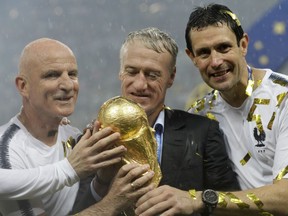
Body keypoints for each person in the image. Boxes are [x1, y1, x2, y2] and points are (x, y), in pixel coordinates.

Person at [83, 27, 238, 216]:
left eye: (152, 75)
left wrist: (194, 199)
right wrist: (101, 183)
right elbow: (75, 208)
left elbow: (231, 205)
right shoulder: (92, 137)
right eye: (132, 72)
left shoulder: (202, 132)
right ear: (120, 73)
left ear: (171, 77)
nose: (140, 85)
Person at [0, 38, 151, 216]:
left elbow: (76, 208)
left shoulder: (71, 134)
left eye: (72, 74)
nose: (68, 85)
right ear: (23, 86)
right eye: (52, 75)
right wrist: (112, 203)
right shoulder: (8, 152)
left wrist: (102, 181)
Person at [166, 3, 288, 216]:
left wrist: (204, 199)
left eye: (223, 48)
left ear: (243, 44)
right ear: (192, 57)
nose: (215, 61)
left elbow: (286, 198)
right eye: (204, 53)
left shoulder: (284, 97)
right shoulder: (199, 115)